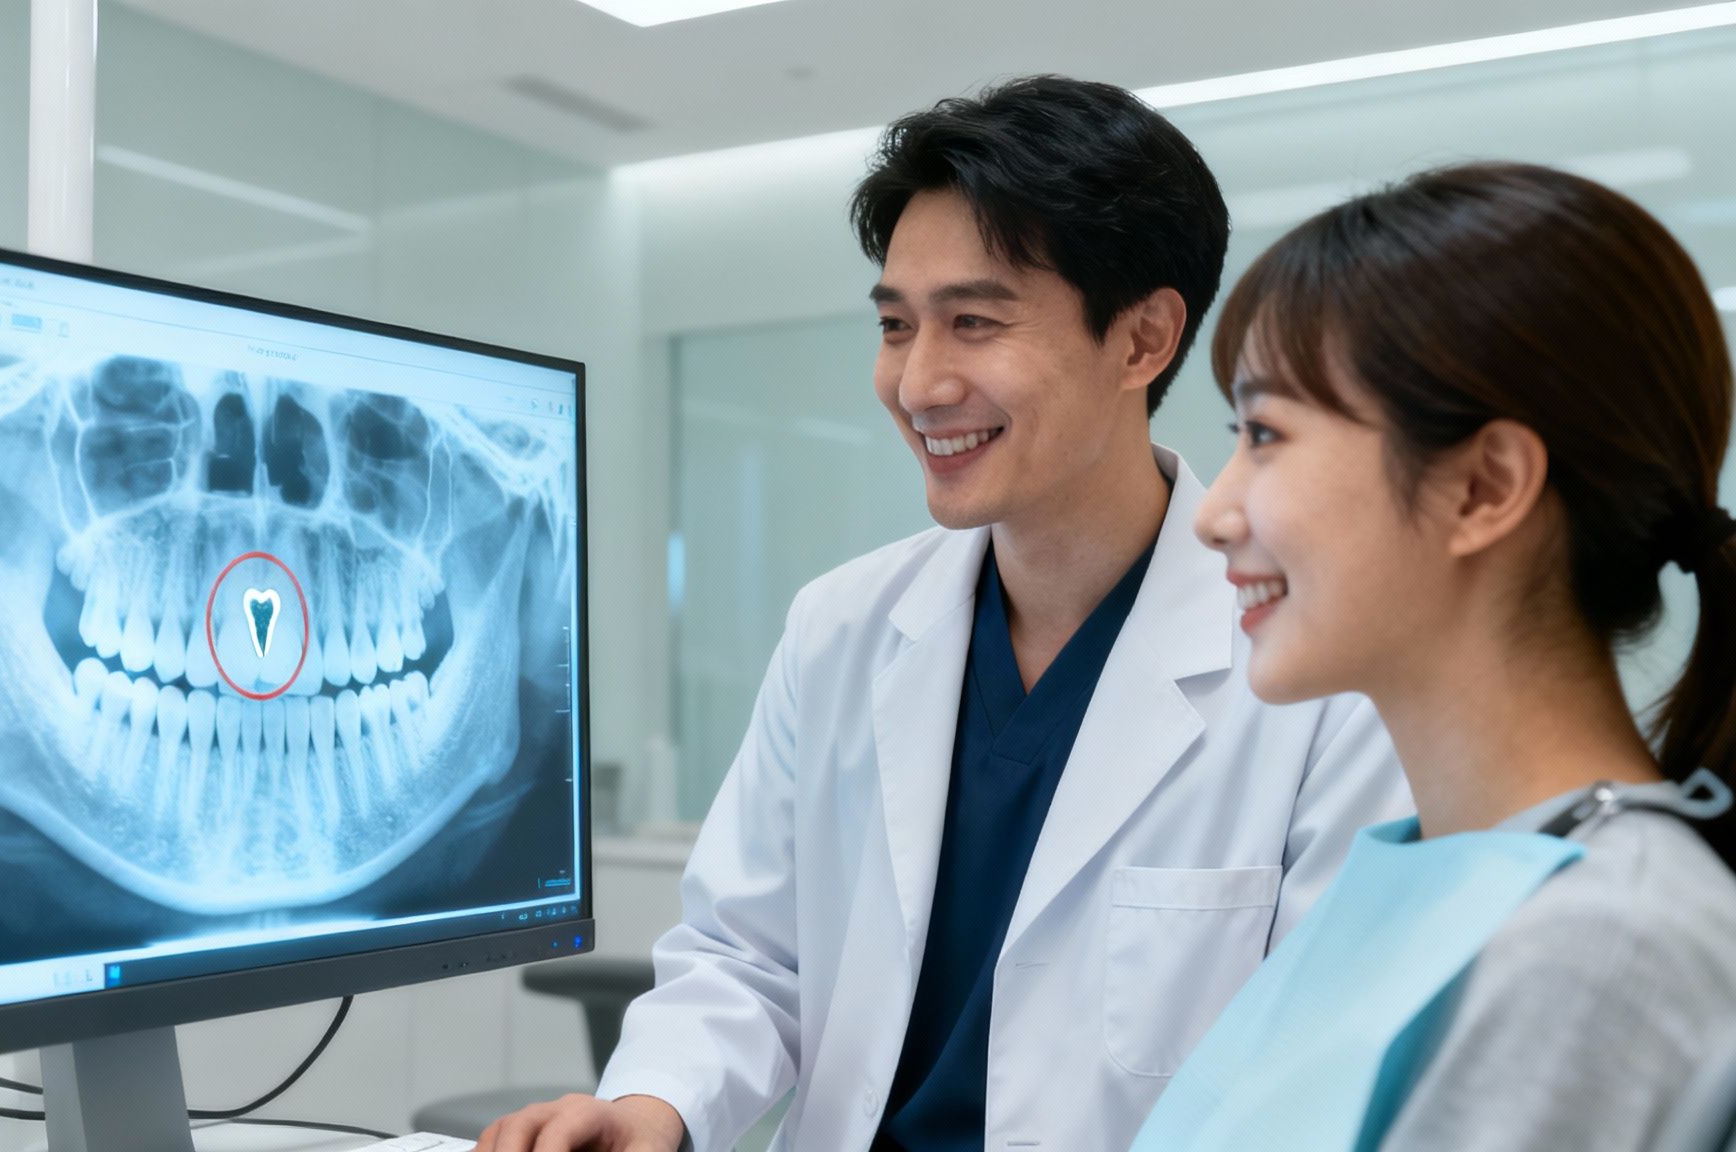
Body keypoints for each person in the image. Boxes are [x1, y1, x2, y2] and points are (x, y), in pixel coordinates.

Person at [477, 76, 1408, 1152]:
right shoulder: (840, 628)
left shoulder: (1323, 677)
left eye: (972, 322)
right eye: (894, 325)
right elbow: (746, 955)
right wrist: (649, 1107)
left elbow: (1320, 1075)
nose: (916, 383)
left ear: (1143, 340)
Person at [1134, 161, 1736, 1151]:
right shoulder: (1418, 873)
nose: (1211, 513)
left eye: (1265, 433)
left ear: (1482, 488)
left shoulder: (1600, 942)